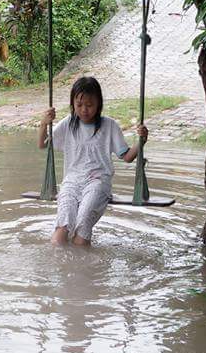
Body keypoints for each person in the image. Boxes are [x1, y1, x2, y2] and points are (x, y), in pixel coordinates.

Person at [37, 76, 148, 246]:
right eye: (79, 105)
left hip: (98, 181)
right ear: (73, 104)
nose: (84, 110)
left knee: (82, 225)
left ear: (99, 105)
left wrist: (141, 142)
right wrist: (44, 124)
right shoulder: (68, 124)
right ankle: (62, 268)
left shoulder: (109, 126)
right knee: (61, 229)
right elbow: (42, 145)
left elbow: (127, 157)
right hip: (71, 182)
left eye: (89, 105)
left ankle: (84, 267)